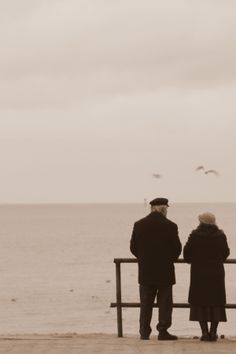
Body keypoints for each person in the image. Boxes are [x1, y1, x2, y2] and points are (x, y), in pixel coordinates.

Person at [130, 197, 182, 340]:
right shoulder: (171, 226)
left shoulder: (139, 224)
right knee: (165, 303)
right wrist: (168, 259)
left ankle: (144, 332)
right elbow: (177, 249)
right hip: (165, 270)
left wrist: (144, 259)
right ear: (163, 209)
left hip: (146, 270)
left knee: (146, 303)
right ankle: (163, 331)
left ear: (152, 208)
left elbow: (133, 247)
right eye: (166, 209)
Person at [183, 212, 230, 341]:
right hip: (216, 273)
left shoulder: (194, 235)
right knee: (216, 302)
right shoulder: (220, 235)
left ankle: (204, 332)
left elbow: (186, 254)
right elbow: (226, 253)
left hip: (199, 273)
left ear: (201, 222)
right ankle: (213, 332)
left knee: (200, 302)